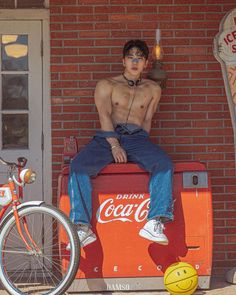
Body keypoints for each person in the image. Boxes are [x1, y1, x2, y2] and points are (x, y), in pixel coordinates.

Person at [67, 39, 173, 249]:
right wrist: (115, 145)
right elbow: (104, 115)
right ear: (123, 61)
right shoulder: (107, 85)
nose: (134, 62)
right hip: (108, 137)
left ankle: (154, 221)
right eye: (130, 57)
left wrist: (143, 147)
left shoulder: (153, 89)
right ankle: (82, 227)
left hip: (137, 139)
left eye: (139, 58)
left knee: (164, 164)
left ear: (145, 63)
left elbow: (148, 120)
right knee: (78, 166)